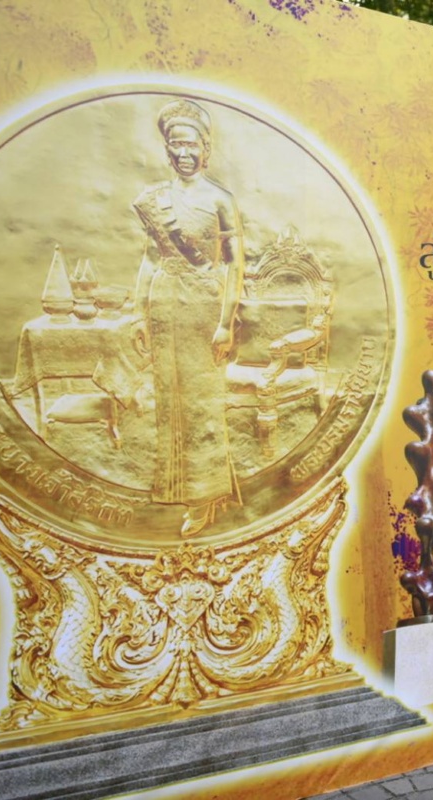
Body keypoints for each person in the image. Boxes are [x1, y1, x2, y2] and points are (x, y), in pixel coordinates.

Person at [133, 98, 243, 537]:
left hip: (203, 307)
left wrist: (225, 323)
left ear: (205, 149)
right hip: (164, 304)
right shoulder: (155, 200)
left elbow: (234, 264)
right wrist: (138, 313)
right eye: (176, 145)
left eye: (191, 145)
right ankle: (176, 489)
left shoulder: (220, 199)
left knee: (202, 403)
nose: (183, 153)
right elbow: (149, 258)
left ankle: (205, 495)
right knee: (170, 401)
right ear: (167, 150)